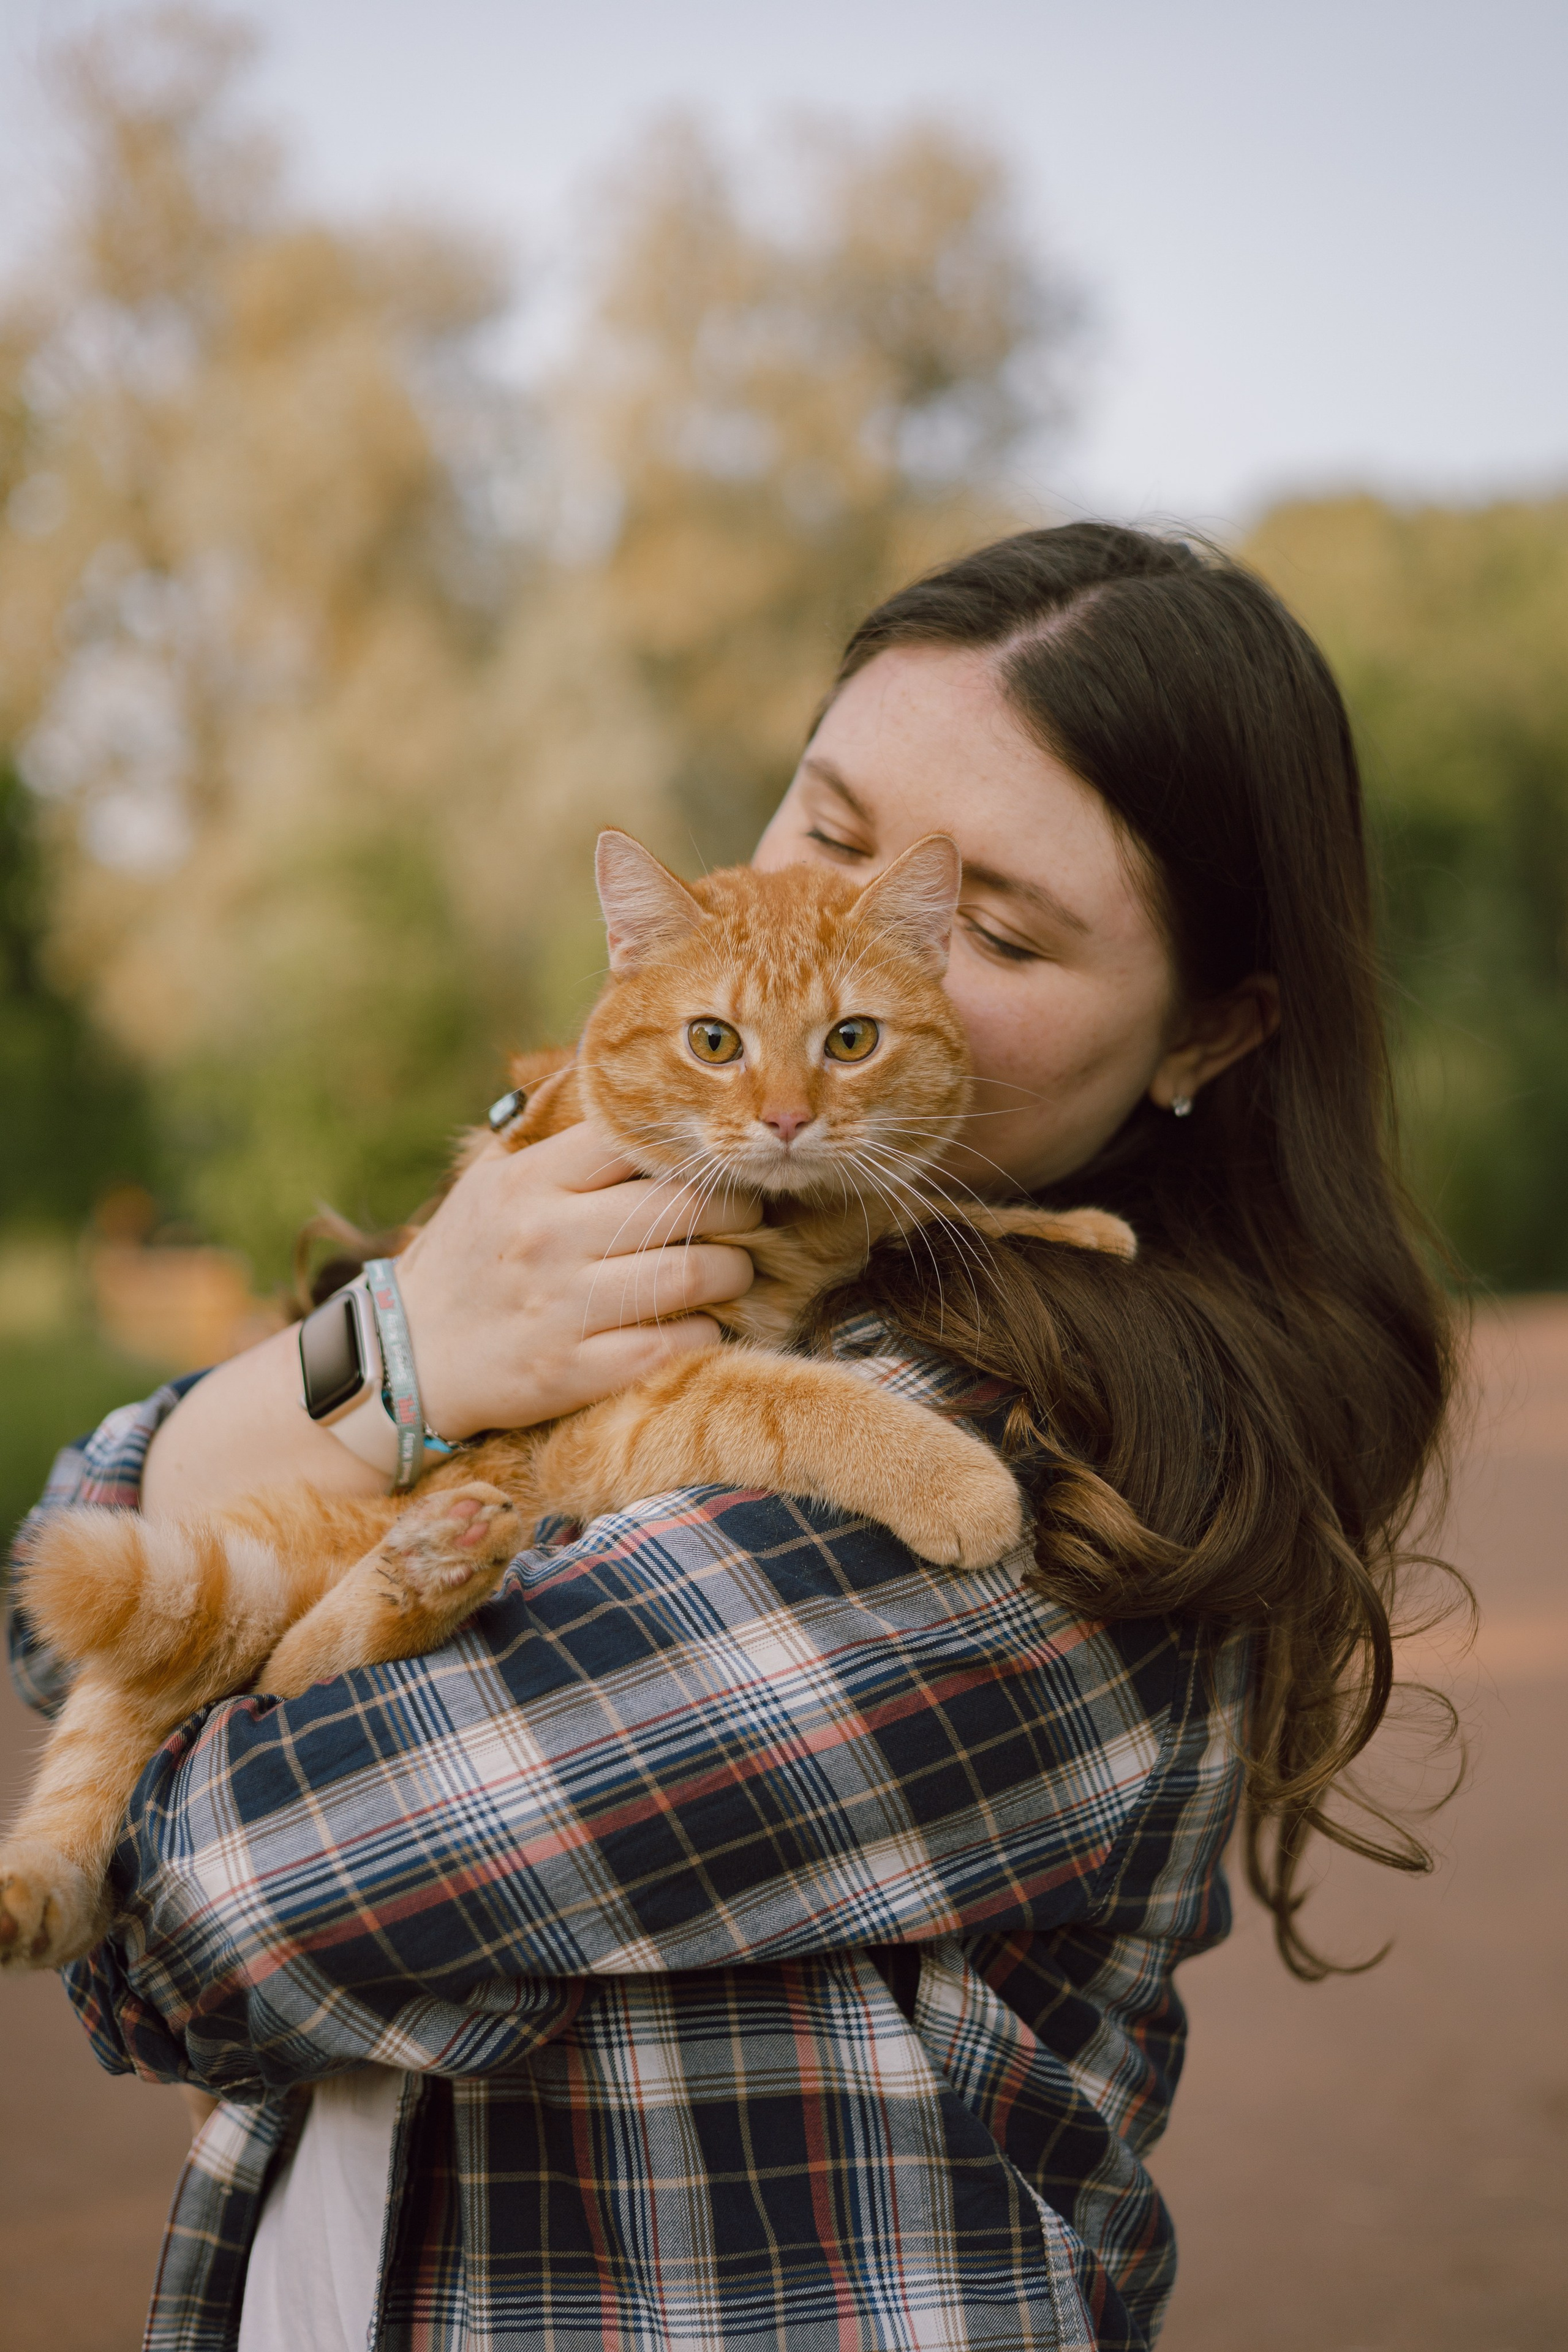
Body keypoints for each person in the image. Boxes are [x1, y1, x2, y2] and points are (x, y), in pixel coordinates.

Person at [7, 524, 1452, 2352]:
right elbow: (69, 1574)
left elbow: (224, 1899)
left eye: (984, 929)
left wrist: (320, 1451)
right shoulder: (662, 1238)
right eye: (828, 830)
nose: (852, 943)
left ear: (1213, 1034)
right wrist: (407, 1340)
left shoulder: (1059, 1489)